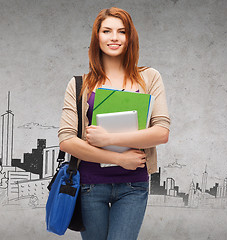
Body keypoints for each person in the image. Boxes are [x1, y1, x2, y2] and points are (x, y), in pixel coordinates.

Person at [58, 7, 170, 240]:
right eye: (107, 31)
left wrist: (109, 139)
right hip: (89, 186)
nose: (114, 37)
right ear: (97, 37)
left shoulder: (149, 77)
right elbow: (67, 141)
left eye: (122, 31)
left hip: (133, 186)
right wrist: (117, 158)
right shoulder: (80, 84)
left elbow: (161, 133)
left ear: (130, 38)